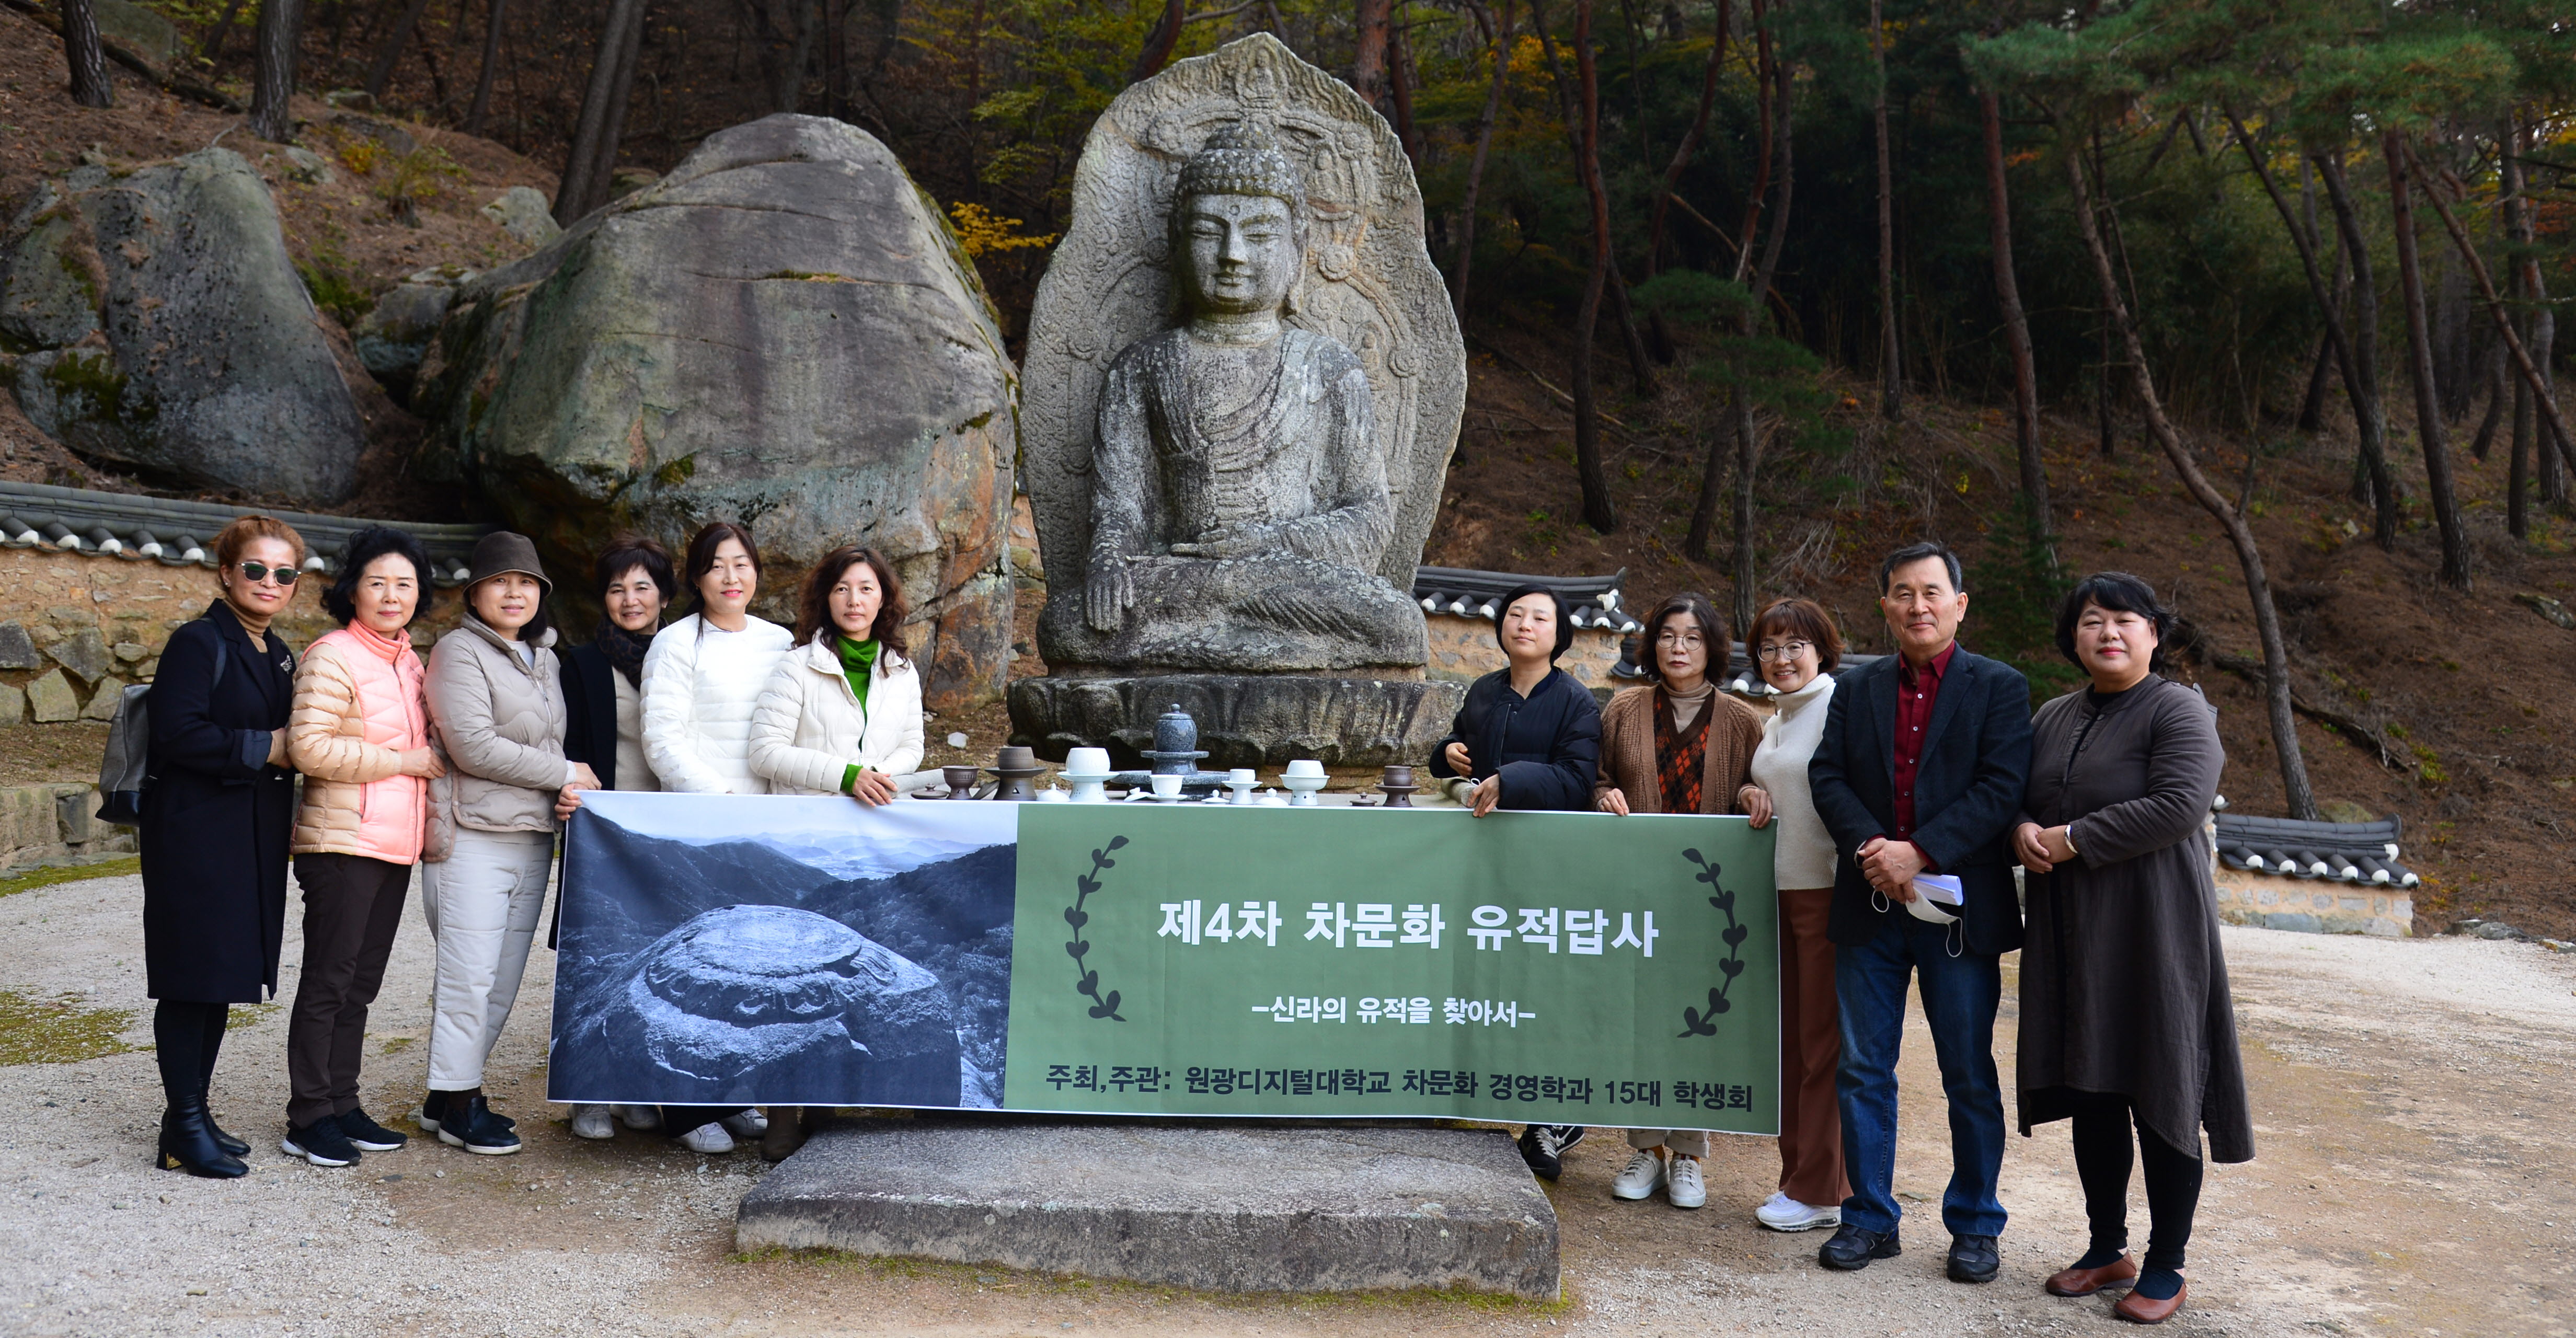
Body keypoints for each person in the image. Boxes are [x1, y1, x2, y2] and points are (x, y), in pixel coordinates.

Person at [2014, 573, 2252, 1325]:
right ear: (2073, 637)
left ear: (2154, 633)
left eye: (2124, 620)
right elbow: (2019, 794)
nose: (2108, 633)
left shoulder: (2177, 709)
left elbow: (2180, 804)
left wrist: (2074, 839)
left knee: (2162, 1084)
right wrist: (2020, 830)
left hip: (2154, 927)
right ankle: (2104, 1247)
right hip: (2070, 929)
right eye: (2092, 621)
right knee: (2092, 1086)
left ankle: (2166, 1262)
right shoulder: (2053, 714)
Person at [1807, 540, 2032, 1283]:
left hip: (1958, 913)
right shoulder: (1857, 687)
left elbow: (2003, 788)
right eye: (1903, 593)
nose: (1918, 606)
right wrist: (1875, 846)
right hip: (1870, 903)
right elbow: (1827, 773)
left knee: (1966, 1069)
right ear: (1885, 606)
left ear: (1959, 604)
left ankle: (1975, 1225)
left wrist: (1923, 850)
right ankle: (1869, 1218)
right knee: (1865, 1068)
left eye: (1932, 592)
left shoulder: (1998, 687)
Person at [745, 546, 927, 1161]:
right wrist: (844, 774)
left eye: (867, 589)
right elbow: (765, 752)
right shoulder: (798, 667)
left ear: (885, 600)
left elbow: (912, 747)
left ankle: (823, 1106)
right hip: (803, 839)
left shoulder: (900, 669)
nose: (856, 600)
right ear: (825, 597)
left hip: (868, 843)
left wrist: (876, 774)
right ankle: (780, 1114)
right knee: (788, 976)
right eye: (844, 589)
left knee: (844, 977)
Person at [140, 515, 306, 1178]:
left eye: (284, 573)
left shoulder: (280, 652)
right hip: (195, 833)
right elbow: (177, 732)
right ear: (226, 573)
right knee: (191, 976)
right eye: (257, 569)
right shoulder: (196, 641)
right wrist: (263, 746)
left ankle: (193, 1113)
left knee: (219, 976)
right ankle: (182, 1122)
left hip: (252, 833)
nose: (270, 582)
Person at [419, 532, 594, 1156]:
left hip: (529, 837)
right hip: (470, 836)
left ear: (541, 593)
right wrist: (566, 773)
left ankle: (446, 1096)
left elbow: (541, 747)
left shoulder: (545, 659)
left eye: (526, 582)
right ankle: (462, 1101)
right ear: (475, 592)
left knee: (503, 978)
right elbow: (472, 745)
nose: (514, 592)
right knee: (468, 976)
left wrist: (563, 791)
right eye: (500, 580)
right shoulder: (457, 651)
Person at [1592, 591, 1764, 1210]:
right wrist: (1602, 795)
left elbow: (1757, 780)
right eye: (1667, 635)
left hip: (1707, 893)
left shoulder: (1742, 718)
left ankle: (1689, 1152)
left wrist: (1749, 792)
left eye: (1692, 637)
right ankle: (1645, 1147)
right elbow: (1597, 774)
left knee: (1699, 1017)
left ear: (1712, 646)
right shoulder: (1623, 707)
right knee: (1643, 1012)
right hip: (1635, 886)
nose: (1678, 648)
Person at [280, 526, 445, 1168]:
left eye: (404, 584)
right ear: (352, 589)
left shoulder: (408, 660)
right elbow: (308, 748)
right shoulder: (333, 654)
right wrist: (403, 759)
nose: (391, 595)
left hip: (391, 845)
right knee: (328, 980)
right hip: (341, 843)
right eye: (377, 582)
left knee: (361, 984)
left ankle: (342, 1104)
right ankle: (307, 1116)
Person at [1427, 584, 1602, 1179]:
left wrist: (1510, 777)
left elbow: (1577, 779)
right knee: (1494, 983)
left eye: (1539, 617)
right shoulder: (1484, 692)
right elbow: (1454, 751)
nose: (1524, 624)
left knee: (1545, 989)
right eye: (1515, 615)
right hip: (1485, 866)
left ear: (1559, 635)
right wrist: (1446, 752)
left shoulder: (1576, 701)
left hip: (1549, 867)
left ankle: (1551, 1122)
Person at [639, 521, 792, 1155]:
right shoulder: (676, 644)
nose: (731, 578)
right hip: (702, 825)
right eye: (716, 567)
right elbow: (662, 737)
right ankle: (684, 1108)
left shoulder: (783, 642)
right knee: (696, 972)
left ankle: (735, 1095)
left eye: (742, 564)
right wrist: (719, 804)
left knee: (751, 970)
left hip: (768, 823)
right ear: (697, 579)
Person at [558, 535, 679, 1144]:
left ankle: (637, 1091)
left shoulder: (684, 654)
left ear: (663, 594)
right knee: (597, 959)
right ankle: (587, 1092)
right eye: (615, 588)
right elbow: (569, 746)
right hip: (605, 830)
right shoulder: (580, 662)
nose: (629, 600)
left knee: (656, 962)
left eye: (641, 586)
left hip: (673, 829)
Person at [1739, 597, 1854, 1233]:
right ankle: (1801, 1178)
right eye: (1768, 648)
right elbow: (1777, 787)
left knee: (1821, 1045)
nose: (1780, 659)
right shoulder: (1776, 717)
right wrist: (1747, 790)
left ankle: (1821, 1188)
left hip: (1826, 892)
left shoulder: (1838, 705)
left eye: (1794, 646)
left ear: (1821, 649)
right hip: (1777, 894)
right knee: (1790, 1043)